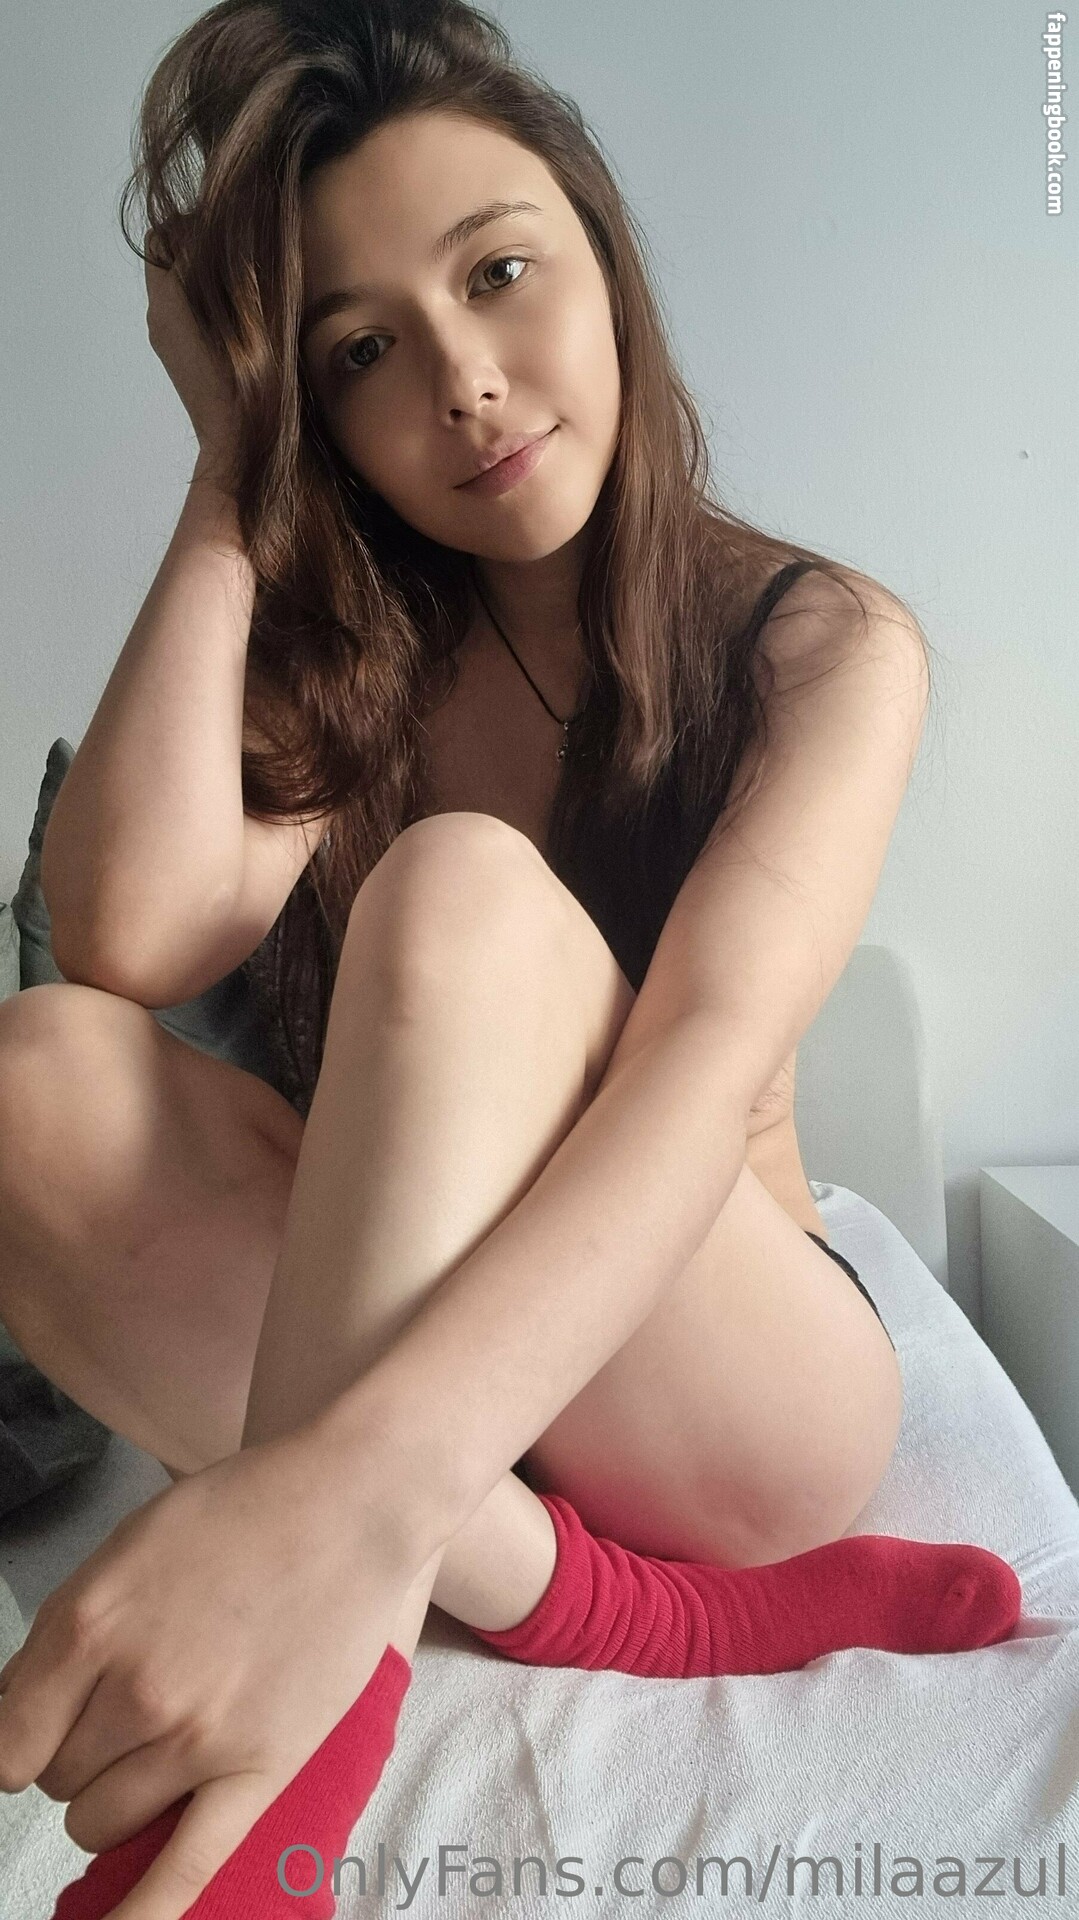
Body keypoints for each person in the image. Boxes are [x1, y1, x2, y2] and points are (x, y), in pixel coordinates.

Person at [0, 3, 1020, 1916]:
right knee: (31, 1078)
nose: (463, 383)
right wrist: (229, 470)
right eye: (363, 351)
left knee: (463, 887)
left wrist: (328, 1496)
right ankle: (602, 1607)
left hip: (728, 1391)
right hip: (458, 1413)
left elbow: (697, 1073)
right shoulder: (364, 657)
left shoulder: (817, 644)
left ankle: (329, 1700)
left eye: (498, 273)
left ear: (605, 267)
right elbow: (129, 932)